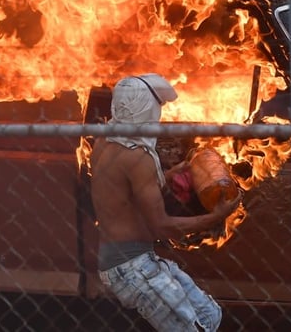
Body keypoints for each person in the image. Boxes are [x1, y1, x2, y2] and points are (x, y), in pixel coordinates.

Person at [90, 74, 242, 332]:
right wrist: (216, 216)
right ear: (146, 108)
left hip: (132, 259)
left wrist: (170, 174)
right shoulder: (138, 157)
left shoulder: (105, 141)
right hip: (130, 266)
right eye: (157, 107)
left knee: (209, 315)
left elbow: (123, 191)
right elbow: (162, 226)